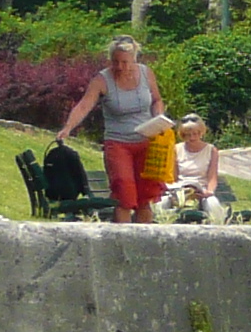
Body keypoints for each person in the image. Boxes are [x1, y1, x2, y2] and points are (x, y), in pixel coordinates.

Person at [56, 36, 166, 223]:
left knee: (145, 196)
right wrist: (68, 127)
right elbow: (84, 105)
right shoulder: (102, 79)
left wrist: (159, 118)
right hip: (118, 143)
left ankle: (144, 240)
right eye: (116, 62)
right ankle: (121, 240)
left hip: (147, 141)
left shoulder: (146, 74)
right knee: (124, 193)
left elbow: (157, 100)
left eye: (125, 62)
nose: (121, 67)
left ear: (134, 59)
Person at [170, 115, 231, 222]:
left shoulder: (211, 150)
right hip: (181, 189)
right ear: (183, 135)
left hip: (202, 190)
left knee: (213, 205)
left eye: (195, 134)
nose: (192, 137)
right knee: (161, 203)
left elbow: (212, 177)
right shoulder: (176, 149)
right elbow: (173, 176)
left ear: (200, 133)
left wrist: (209, 191)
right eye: (188, 135)